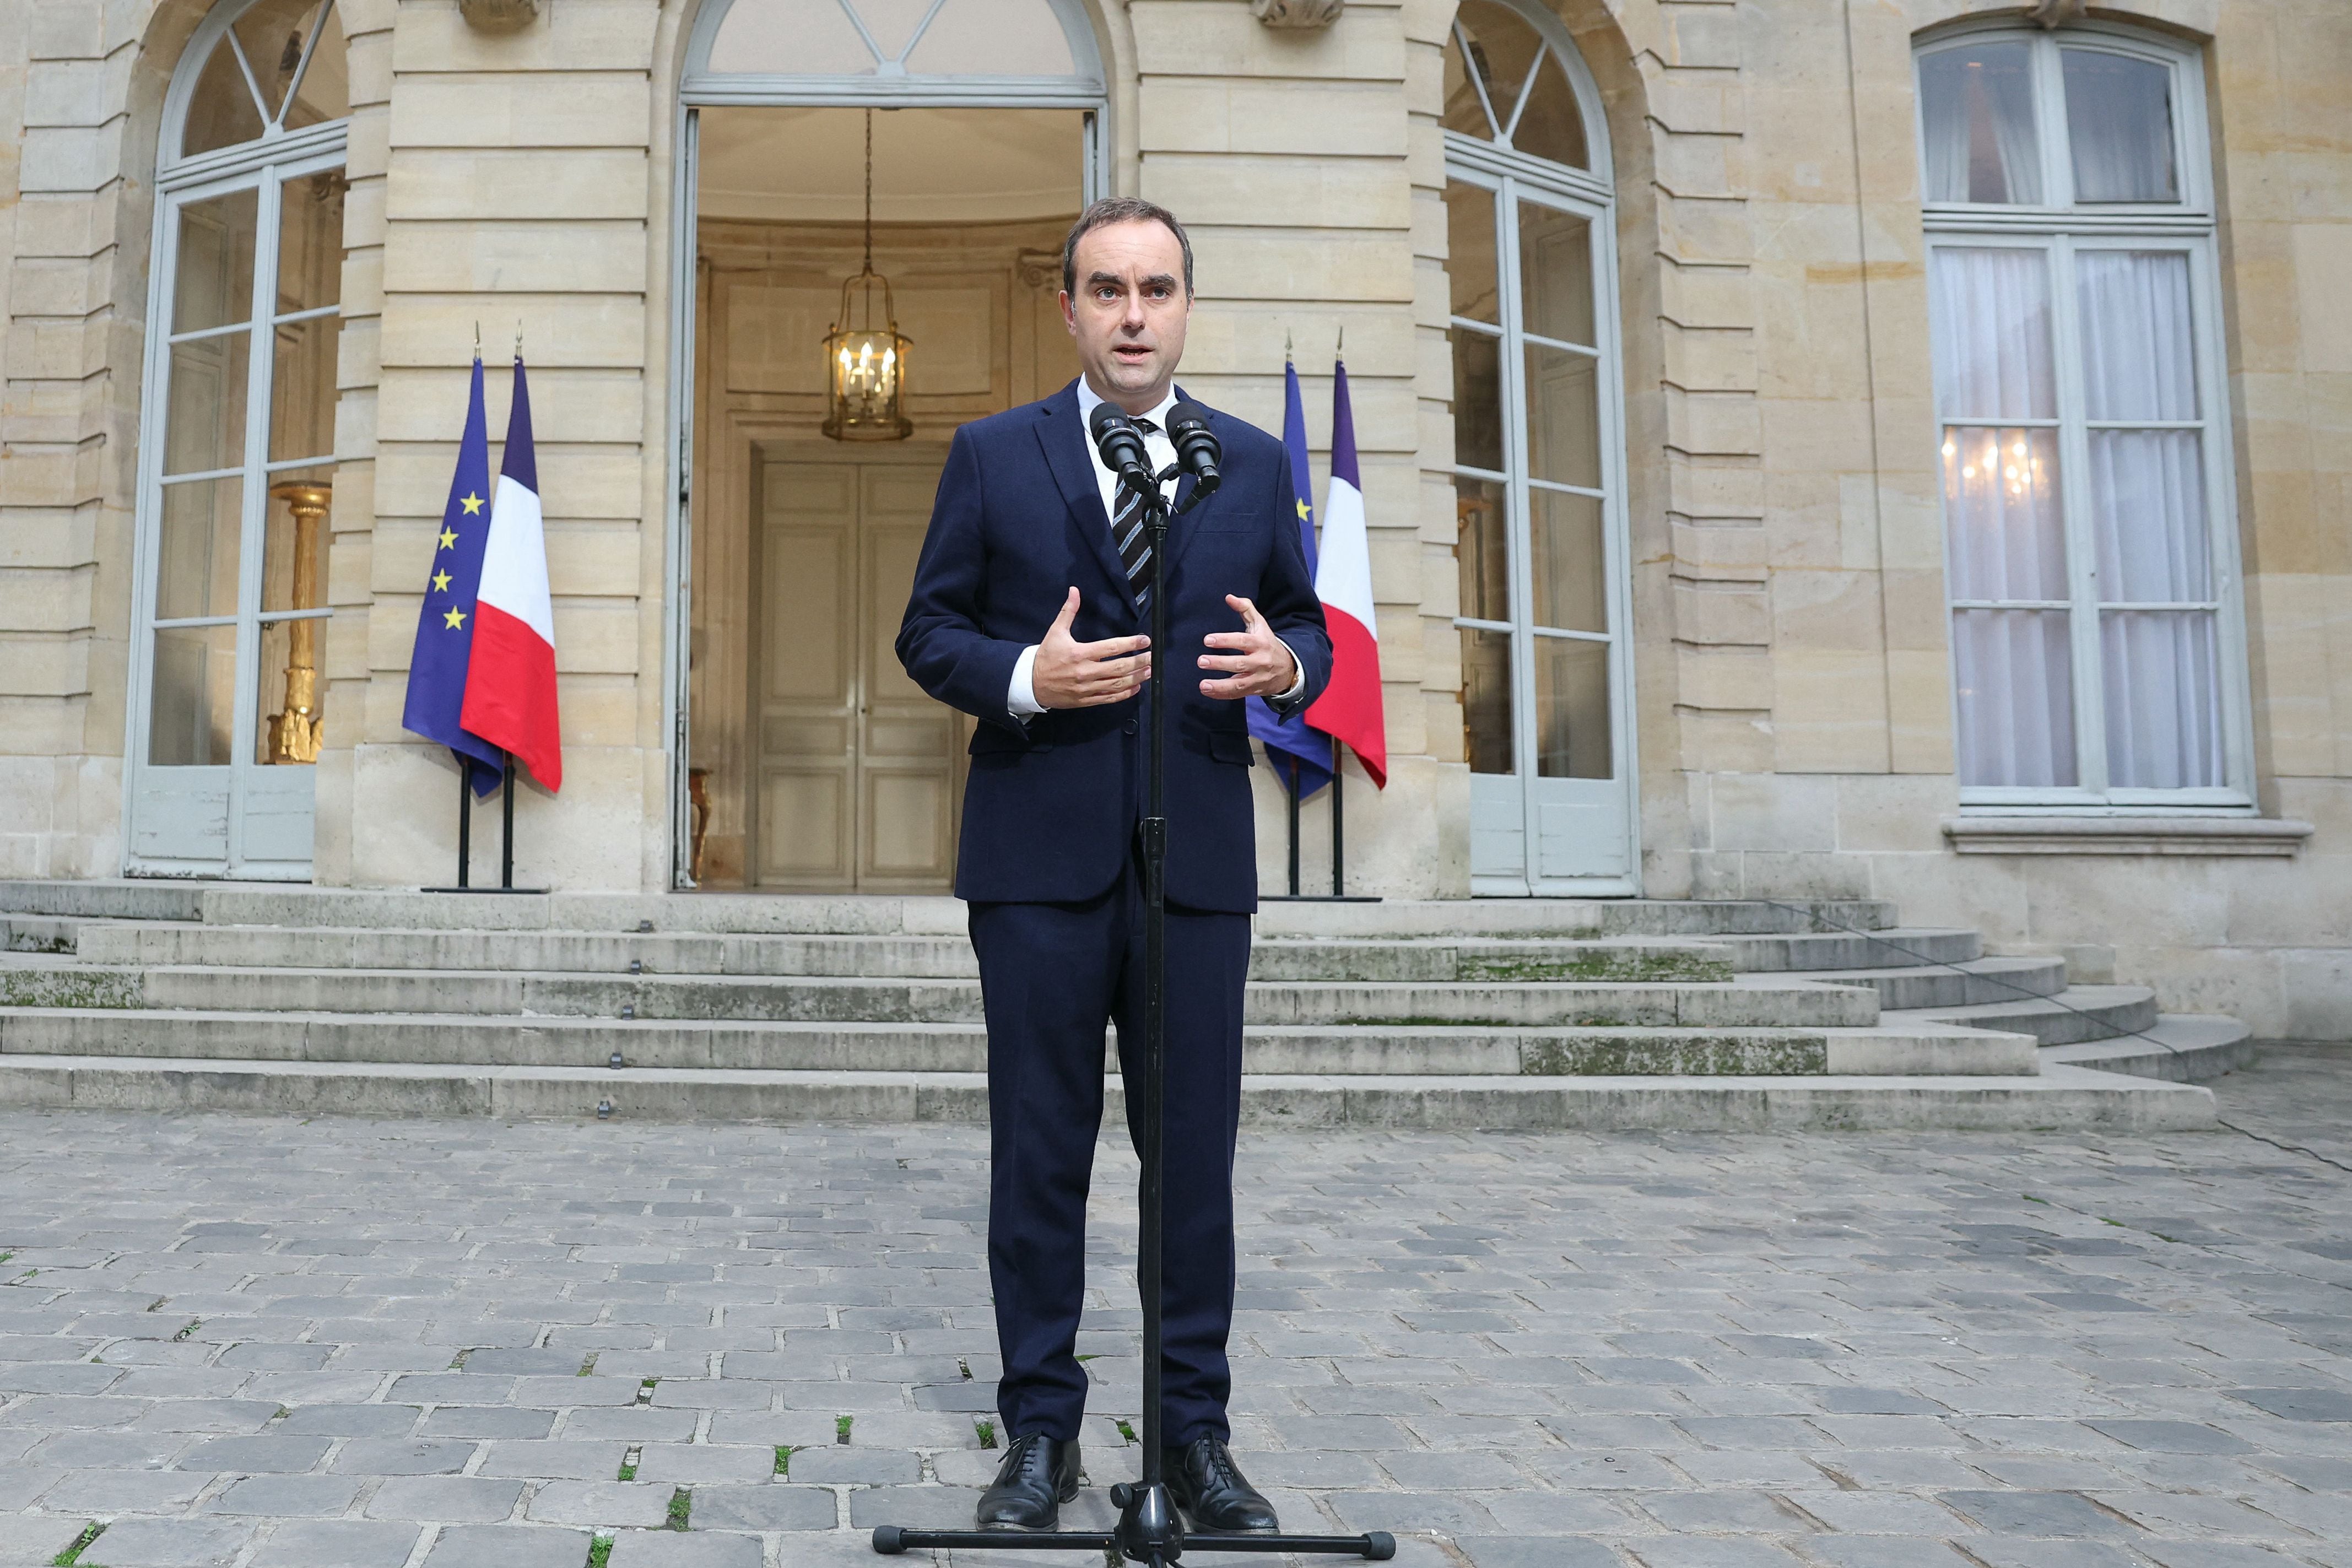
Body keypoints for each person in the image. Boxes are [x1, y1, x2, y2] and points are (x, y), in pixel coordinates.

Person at [897, 196, 1331, 1534]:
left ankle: (1193, 1438)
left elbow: (1307, 627)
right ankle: (1040, 1433)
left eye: (1155, 289)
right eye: (1106, 290)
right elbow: (927, 631)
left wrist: (1288, 666)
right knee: (1040, 1155)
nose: (1132, 315)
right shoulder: (992, 454)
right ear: (1069, 309)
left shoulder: (1247, 462)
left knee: (1190, 1162)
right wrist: (1028, 676)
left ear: (1185, 305)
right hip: (1035, 861)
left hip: (1193, 862)